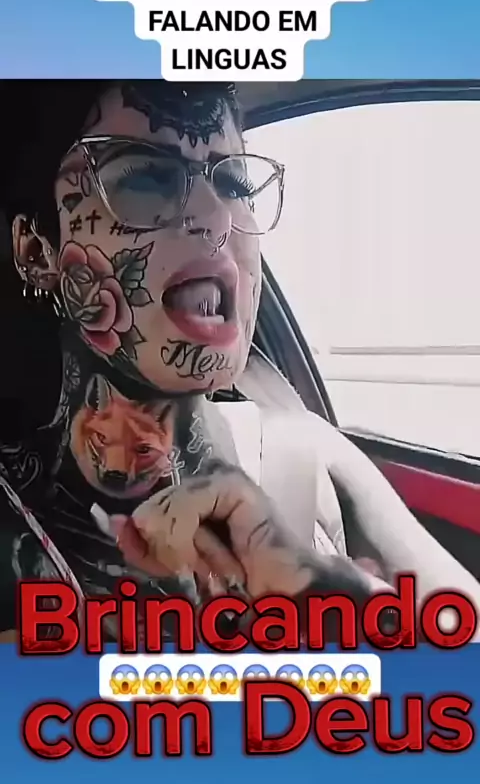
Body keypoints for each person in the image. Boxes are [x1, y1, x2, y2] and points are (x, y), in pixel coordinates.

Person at [0, 80, 478, 644]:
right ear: (38, 253)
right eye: (145, 179)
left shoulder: (304, 455)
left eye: (235, 183)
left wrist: (343, 596)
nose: (218, 217)